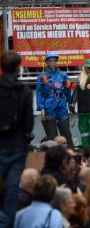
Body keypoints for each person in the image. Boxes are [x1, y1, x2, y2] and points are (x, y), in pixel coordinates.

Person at [0, 51, 34, 225]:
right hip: (16, 146)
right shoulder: (25, 92)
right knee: (12, 192)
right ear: (18, 67)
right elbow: (29, 124)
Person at [36, 52, 73, 144]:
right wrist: (41, 108)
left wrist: (70, 103)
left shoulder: (63, 75)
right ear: (46, 62)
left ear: (56, 61)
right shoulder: (42, 76)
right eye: (50, 61)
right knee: (52, 137)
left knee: (66, 134)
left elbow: (67, 91)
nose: (52, 63)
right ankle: (54, 156)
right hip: (49, 105)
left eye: (54, 60)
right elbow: (39, 92)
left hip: (61, 105)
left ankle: (70, 155)